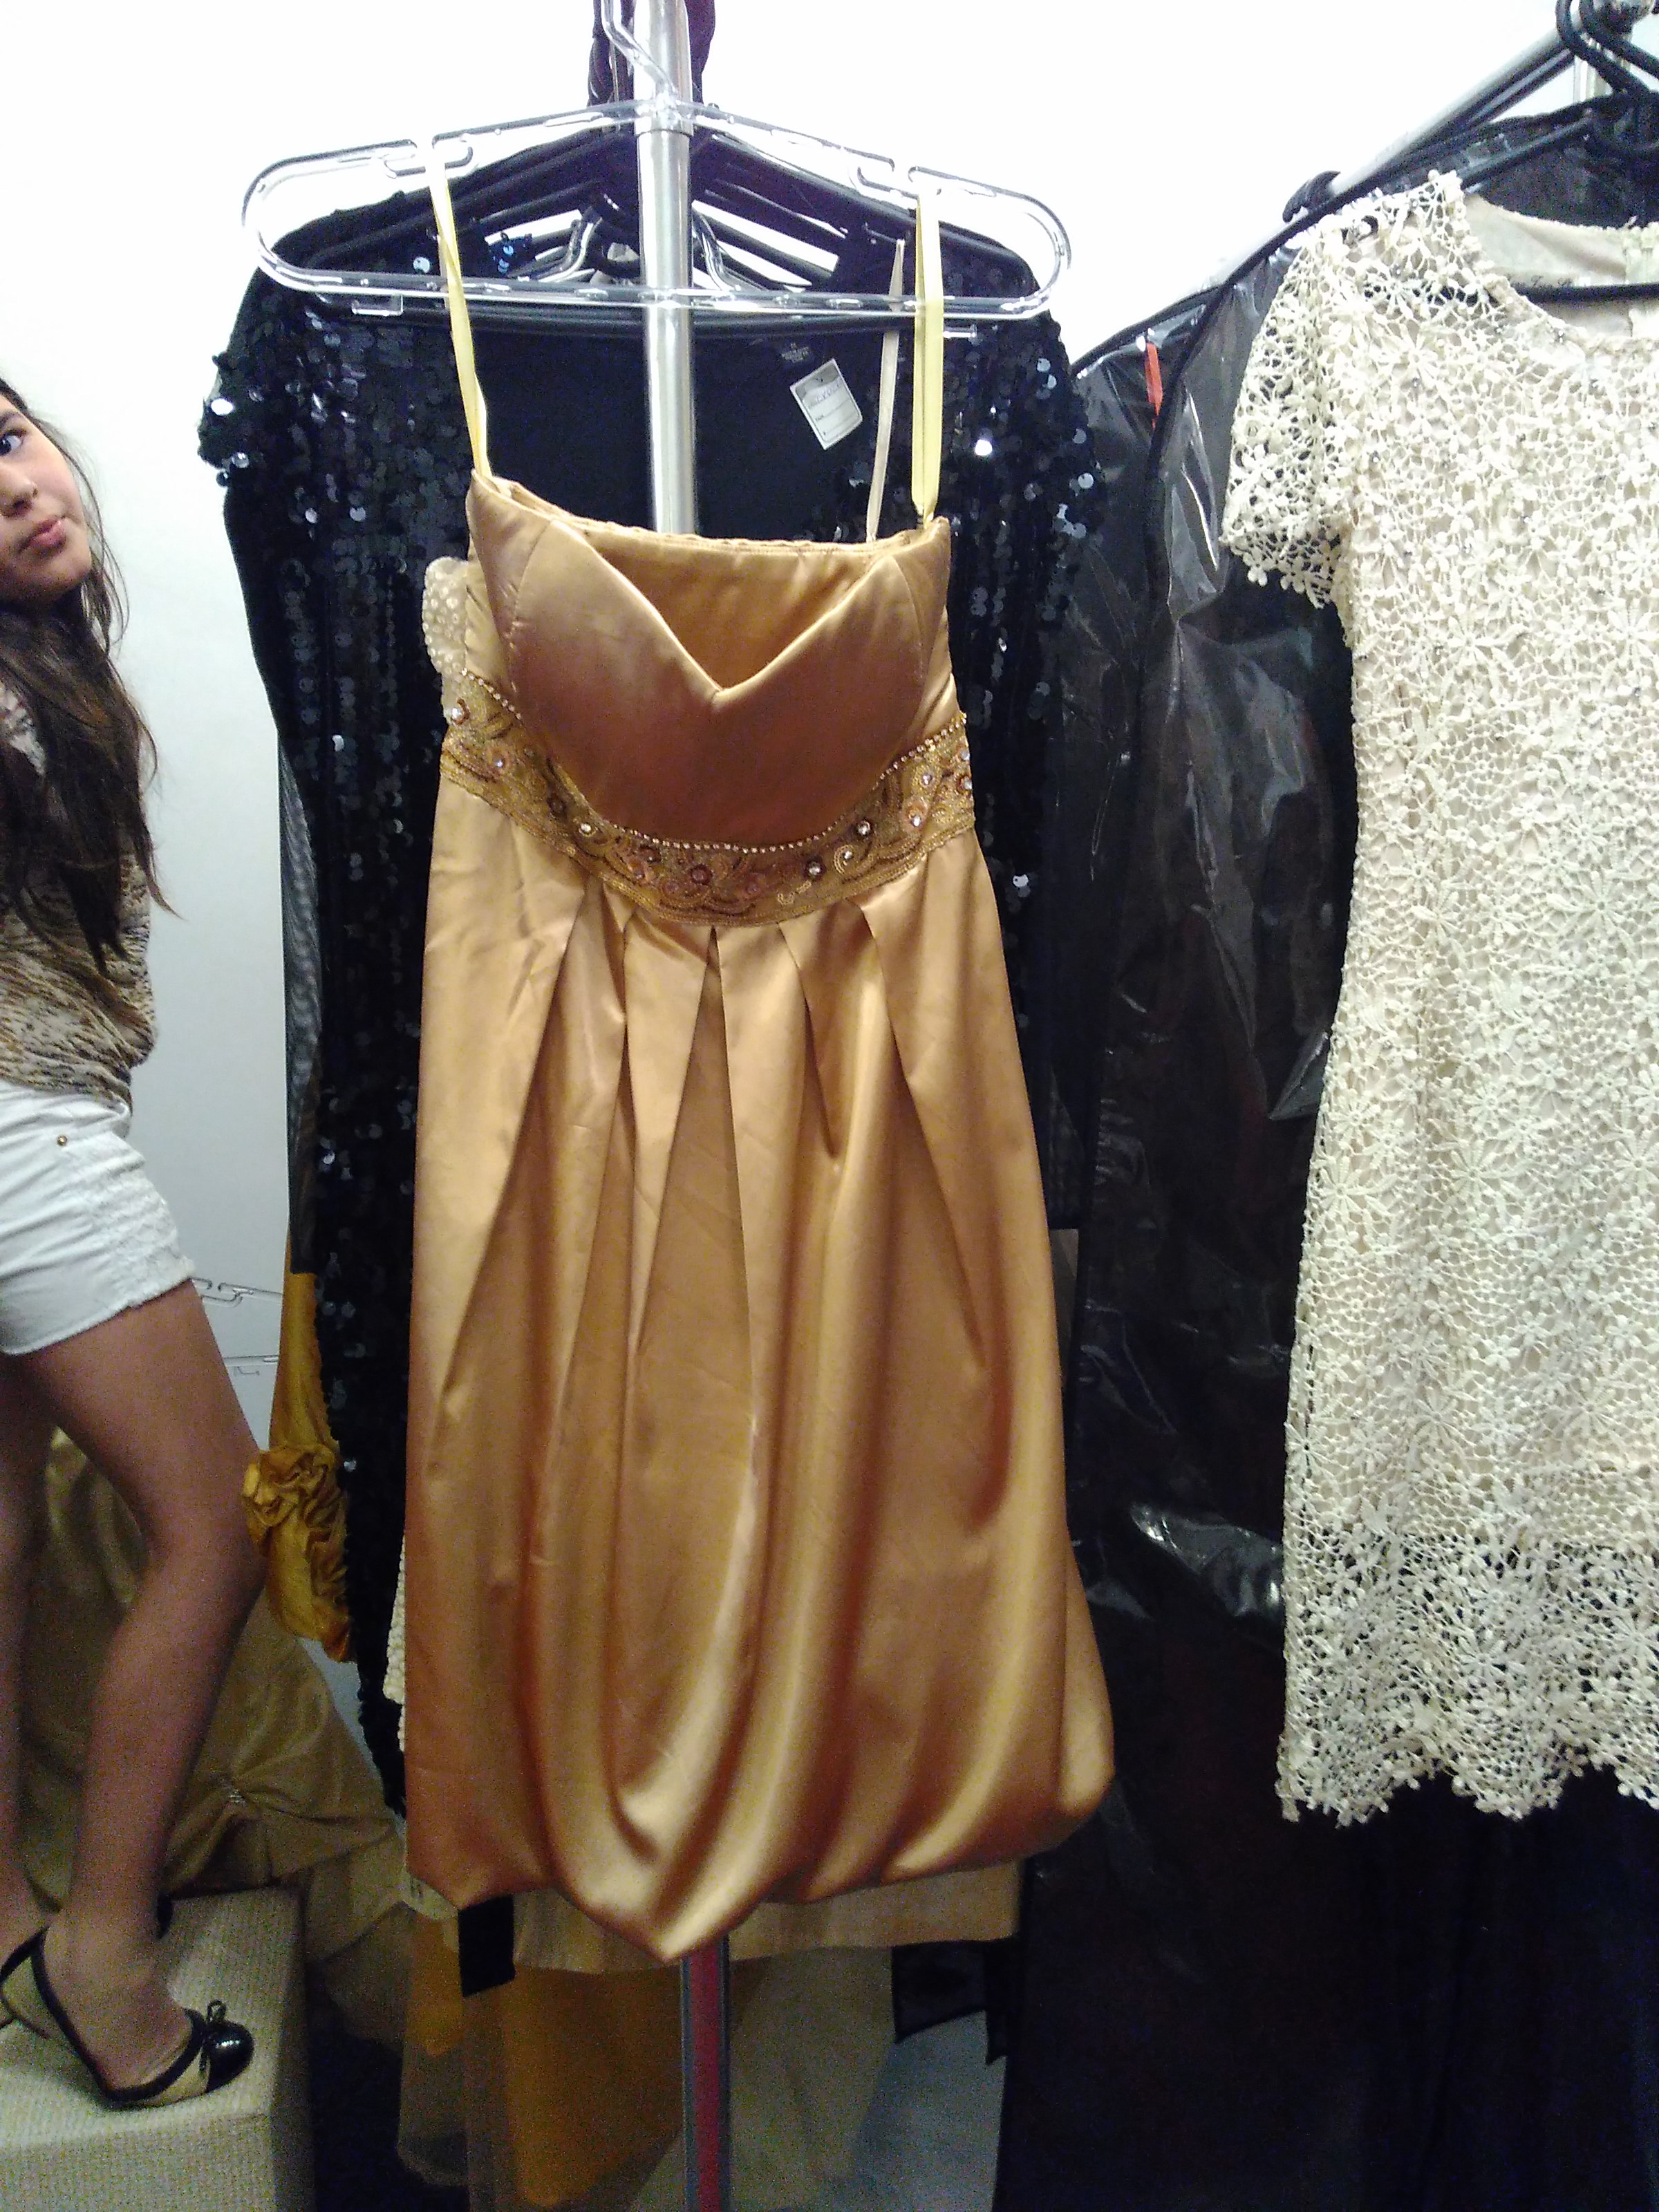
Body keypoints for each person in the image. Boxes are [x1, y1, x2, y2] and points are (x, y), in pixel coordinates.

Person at [0, 379, 261, 2107]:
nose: (19, 487)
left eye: (5, 435)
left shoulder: (45, 672)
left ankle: (4, 1921)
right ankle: (100, 1949)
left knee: (6, 1529)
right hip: (25, 1130)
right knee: (220, 1523)